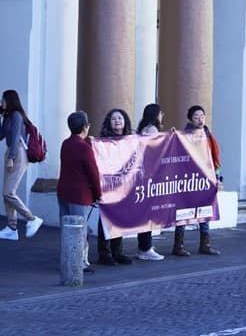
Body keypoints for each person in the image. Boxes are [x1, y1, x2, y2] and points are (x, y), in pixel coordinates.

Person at [0, 90, 43, 241]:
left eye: (3, 100)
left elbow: (15, 138)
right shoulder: (8, 116)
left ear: (9, 100)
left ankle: (31, 219)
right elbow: (0, 136)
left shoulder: (16, 115)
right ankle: (11, 227)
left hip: (18, 153)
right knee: (6, 193)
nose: (1, 102)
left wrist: (12, 157)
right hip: (10, 151)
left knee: (9, 192)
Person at [172, 105, 221, 257]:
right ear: (190, 119)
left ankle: (205, 244)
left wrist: (218, 178)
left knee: (205, 211)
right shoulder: (184, 135)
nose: (200, 119)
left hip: (205, 180)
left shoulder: (208, 135)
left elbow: (215, 159)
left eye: (202, 116)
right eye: (196, 116)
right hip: (187, 180)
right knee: (183, 212)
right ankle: (178, 245)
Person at [57, 111, 101, 274]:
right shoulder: (84, 147)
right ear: (84, 127)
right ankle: (78, 263)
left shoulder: (65, 143)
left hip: (63, 191)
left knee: (66, 228)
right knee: (79, 230)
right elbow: (93, 172)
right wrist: (98, 194)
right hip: (80, 194)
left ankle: (66, 259)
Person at [96, 109, 133, 266]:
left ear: (125, 121)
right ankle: (104, 253)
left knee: (120, 218)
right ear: (109, 123)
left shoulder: (132, 139)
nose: (117, 121)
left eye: (120, 118)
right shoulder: (103, 141)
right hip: (109, 183)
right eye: (113, 119)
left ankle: (117, 251)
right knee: (106, 218)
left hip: (125, 184)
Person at [135, 103, 165, 261]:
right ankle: (145, 248)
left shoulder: (142, 129)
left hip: (142, 175)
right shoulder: (152, 130)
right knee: (148, 213)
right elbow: (155, 151)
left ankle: (145, 246)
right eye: (161, 113)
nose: (162, 116)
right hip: (150, 176)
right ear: (156, 115)